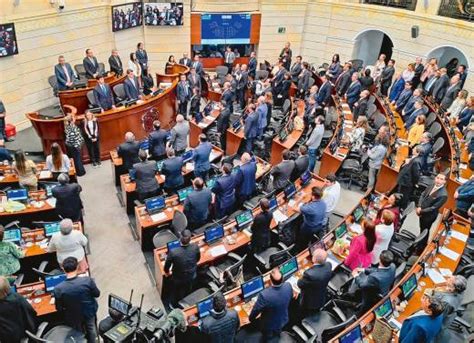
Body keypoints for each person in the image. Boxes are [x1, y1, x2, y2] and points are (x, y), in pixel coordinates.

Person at [53, 256, 100, 343]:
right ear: (77, 266)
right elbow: (97, 294)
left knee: (77, 332)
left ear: (63, 269)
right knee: (91, 328)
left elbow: (58, 308)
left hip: (72, 315)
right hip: (89, 311)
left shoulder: (58, 288)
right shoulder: (87, 281)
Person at [249, 268, 293, 342]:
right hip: (283, 319)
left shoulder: (264, 295)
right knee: (278, 332)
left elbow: (256, 311)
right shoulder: (288, 286)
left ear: (270, 280)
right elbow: (290, 297)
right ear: (282, 278)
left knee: (267, 337)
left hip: (269, 325)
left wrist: (251, 319)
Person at [164, 230, 200, 304]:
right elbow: (198, 259)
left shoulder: (173, 252)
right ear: (190, 239)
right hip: (191, 275)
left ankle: (176, 302)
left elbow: (167, 266)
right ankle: (187, 300)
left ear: (180, 238)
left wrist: (167, 272)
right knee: (188, 288)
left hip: (178, 278)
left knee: (177, 290)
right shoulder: (195, 247)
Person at [0, 276, 37, 342]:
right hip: (24, 334)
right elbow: (33, 312)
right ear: (7, 288)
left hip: (6, 339)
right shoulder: (17, 298)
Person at [416, 173, 448, 248]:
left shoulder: (443, 195)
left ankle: (421, 247)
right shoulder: (432, 185)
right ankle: (420, 242)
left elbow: (434, 208)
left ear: (444, 182)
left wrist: (421, 211)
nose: (438, 180)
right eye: (438, 178)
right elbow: (423, 194)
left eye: (441, 179)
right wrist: (419, 206)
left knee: (425, 231)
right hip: (421, 210)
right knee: (422, 228)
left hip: (429, 216)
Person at [297, 248, 332, 317]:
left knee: (303, 314)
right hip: (321, 296)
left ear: (314, 259)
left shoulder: (309, 274)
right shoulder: (329, 265)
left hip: (309, 302)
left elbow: (299, 284)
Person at [434, 275, 467, 343]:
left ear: (452, 288)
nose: (448, 279)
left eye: (450, 280)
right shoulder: (460, 291)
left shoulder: (447, 303)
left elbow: (436, 315)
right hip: (449, 311)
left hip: (438, 321)